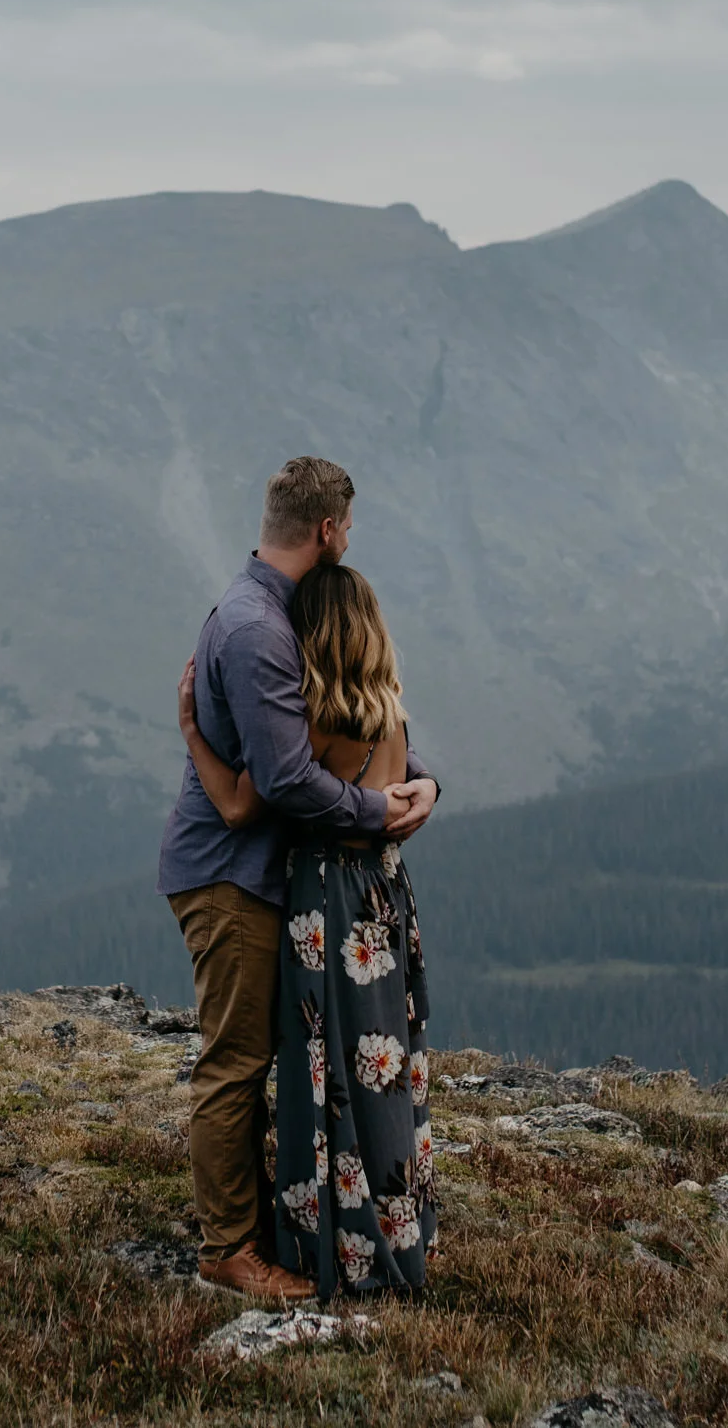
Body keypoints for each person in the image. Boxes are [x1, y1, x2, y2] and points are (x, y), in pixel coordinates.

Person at [156, 456, 438, 1300]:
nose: (349, 543)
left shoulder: (285, 616)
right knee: (235, 1061)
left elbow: (340, 718)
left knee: (269, 1058)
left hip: (269, 875)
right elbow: (281, 782)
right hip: (231, 877)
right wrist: (378, 812)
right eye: (347, 529)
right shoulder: (255, 628)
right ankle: (228, 1250)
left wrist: (418, 779)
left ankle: (276, 1225)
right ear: (327, 530)